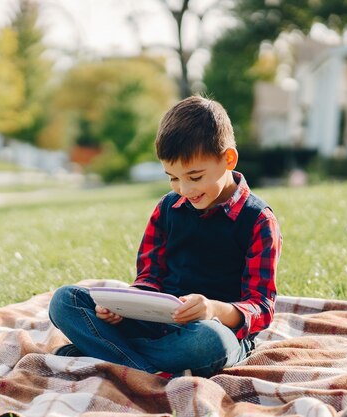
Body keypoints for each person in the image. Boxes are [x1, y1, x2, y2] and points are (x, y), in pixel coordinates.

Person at [48, 96, 282, 378]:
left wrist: (212, 310)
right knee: (64, 301)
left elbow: (261, 308)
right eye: (172, 177)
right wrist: (122, 308)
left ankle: (104, 353)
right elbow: (149, 279)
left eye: (194, 177)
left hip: (213, 331)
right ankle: (146, 369)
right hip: (155, 323)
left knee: (210, 344)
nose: (184, 189)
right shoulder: (167, 209)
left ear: (228, 159)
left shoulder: (258, 220)